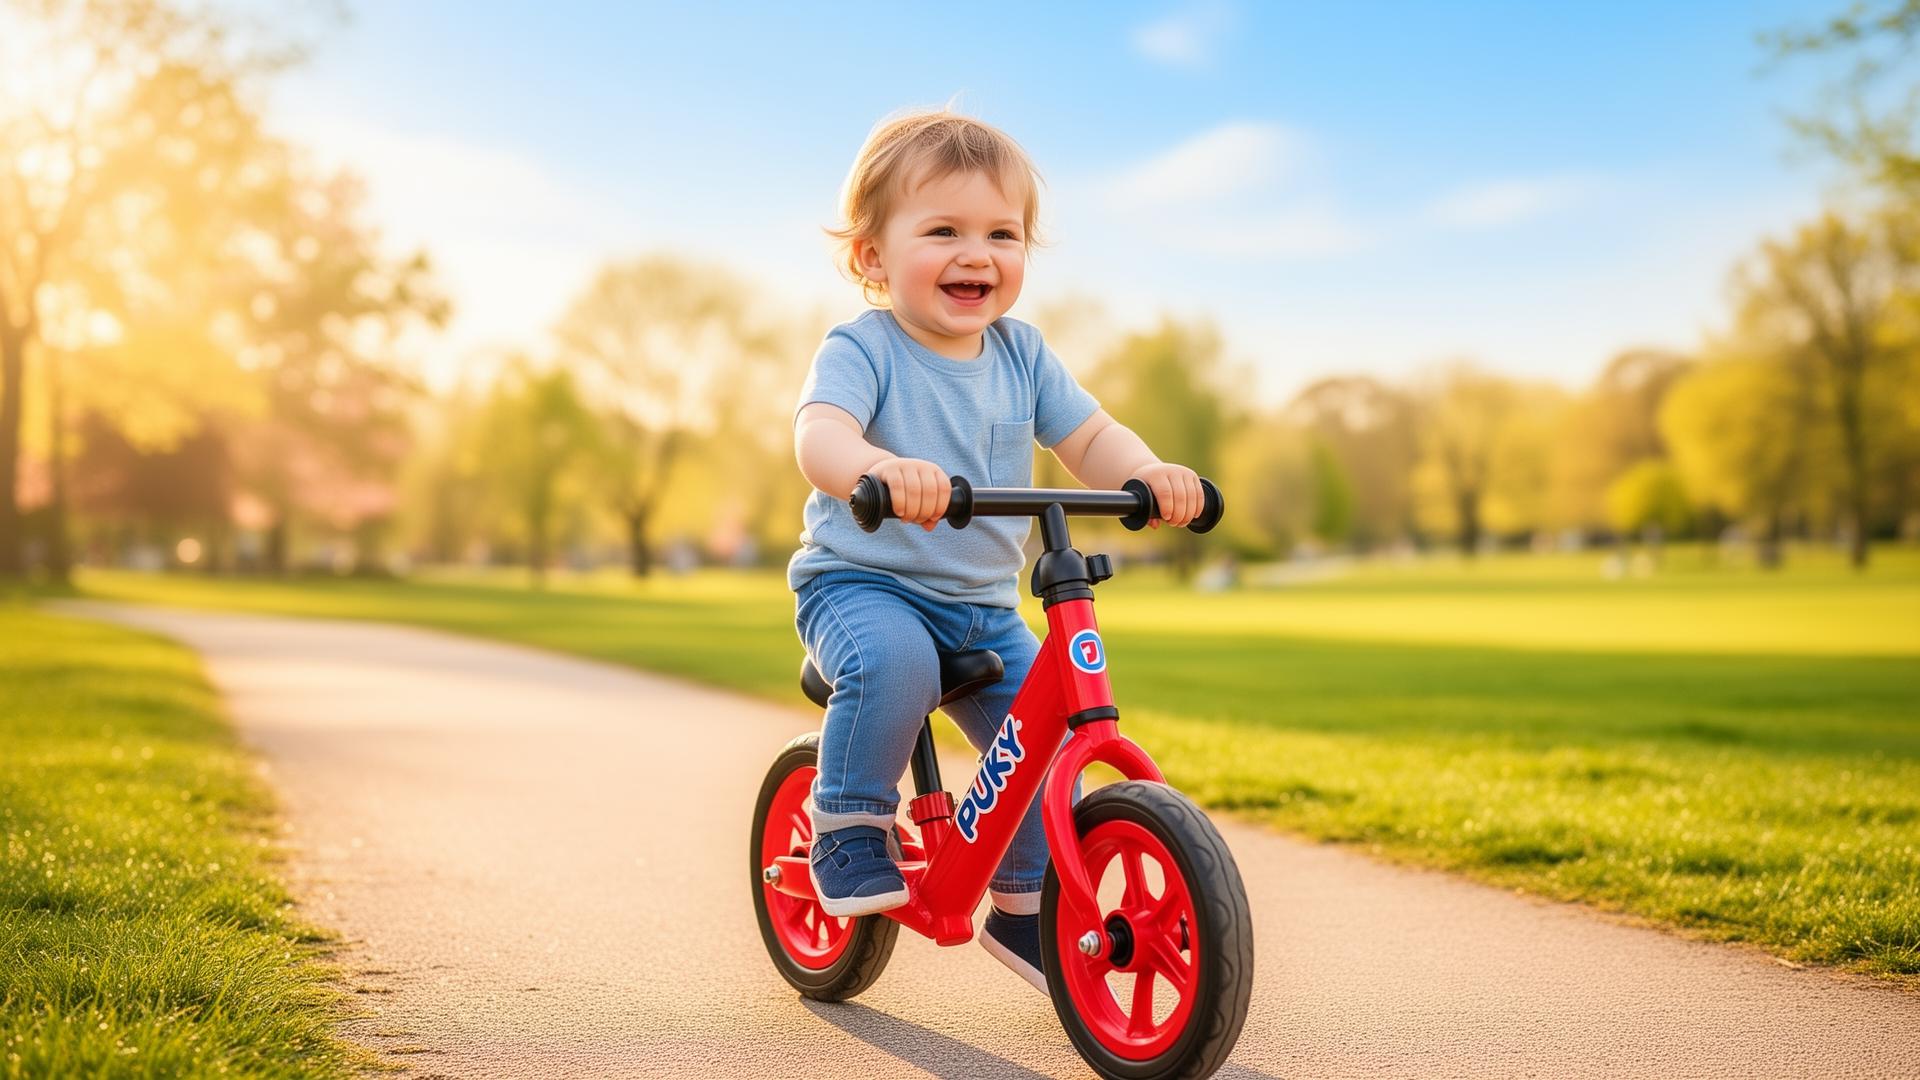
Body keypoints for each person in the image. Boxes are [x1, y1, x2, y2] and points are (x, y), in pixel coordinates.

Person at [788, 108, 1204, 993]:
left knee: (1048, 729)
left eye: (1001, 234)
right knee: (895, 664)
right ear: (872, 256)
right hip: (863, 584)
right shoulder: (865, 347)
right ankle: (849, 821)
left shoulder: (1023, 354)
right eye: (943, 230)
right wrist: (880, 467)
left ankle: (1024, 908)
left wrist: (1151, 473)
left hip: (978, 598)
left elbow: (1090, 437)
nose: (977, 254)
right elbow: (818, 437)